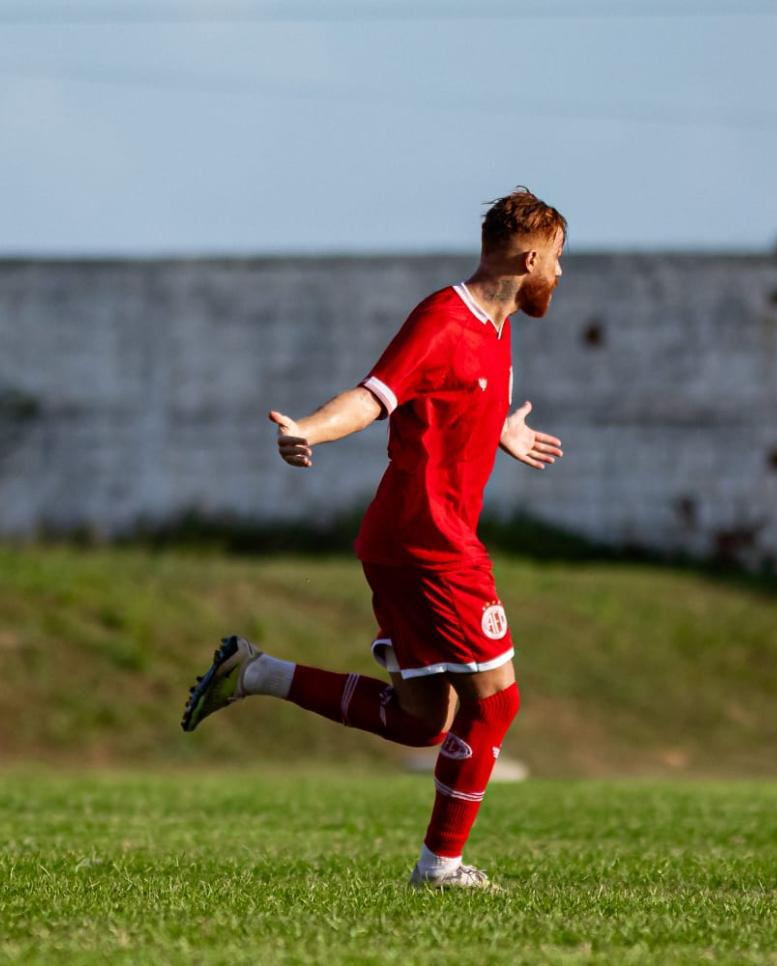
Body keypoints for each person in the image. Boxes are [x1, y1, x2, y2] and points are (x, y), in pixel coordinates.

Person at [181, 187, 567, 890]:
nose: (561, 277)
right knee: (497, 704)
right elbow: (373, 394)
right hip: (432, 543)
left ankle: (257, 671)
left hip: (402, 539)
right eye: (559, 262)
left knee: (423, 721)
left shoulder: (498, 327)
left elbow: (454, 403)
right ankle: (440, 867)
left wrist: (500, 430)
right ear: (531, 256)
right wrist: (308, 429)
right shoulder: (444, 320)